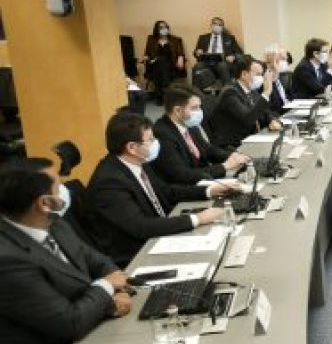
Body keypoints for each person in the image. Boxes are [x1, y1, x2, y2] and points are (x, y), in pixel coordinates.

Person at [0, 158, 132, 344]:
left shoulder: (53, 222)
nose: (66, 189)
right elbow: (70, 322)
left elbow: (97, 261)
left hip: (87, 334)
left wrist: (114, 285)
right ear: (43, 202)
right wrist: (107, 290)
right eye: (59, 185)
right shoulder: (7, 259)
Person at [83, 112, 237, 266]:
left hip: (159, 235)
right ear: (132, 147)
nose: (156, 143)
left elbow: (166, 191)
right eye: (150, 139)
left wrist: (210, 190)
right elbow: (141, 226)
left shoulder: (137, 161)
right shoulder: (109, 182)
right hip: (138, 255)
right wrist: (197, 219)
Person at [152, 83, 250, 185]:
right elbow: (182, 175)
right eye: (194, 108)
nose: (200, 111)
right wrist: (225, 166)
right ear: (178, 110)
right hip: (186, 188)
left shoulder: (189, 125)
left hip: (203, 180)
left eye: (199, 107)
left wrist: (234, 156)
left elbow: (208, 149)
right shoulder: (162, 134)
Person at [208, 57, 282, 149]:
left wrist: (272, 120)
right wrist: (266, 92)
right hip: (233, 145)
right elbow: (248, 119)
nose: (262, 78)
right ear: (244, 74)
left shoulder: (252, 91)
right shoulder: (230, 93)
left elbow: (265, 112)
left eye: (262, 74)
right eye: (258, 74)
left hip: (251, 139)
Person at [142, 20, 187, 104]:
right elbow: (147, 54)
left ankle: (160, 94)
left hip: (172, 65)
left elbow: (181, 53)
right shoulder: (151, 39)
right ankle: (166, 91)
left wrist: (180, 58)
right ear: (156, 29)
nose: (164, 29)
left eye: (166, 27)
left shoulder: (175, 39)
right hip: (155, 65)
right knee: (160, 61)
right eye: (161, 27)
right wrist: (144, 58)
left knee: (163, 60)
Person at [193, 17, 243, 83]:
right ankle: (196, 89)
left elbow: (239, 52)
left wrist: (233, 57)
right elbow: (195, 53)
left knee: (222, 65)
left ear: (222, 27)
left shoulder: (230, 38)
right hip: (206, 62)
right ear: (211, 25)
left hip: (223, 61)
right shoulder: (203, 38)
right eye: (215, 24)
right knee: (198, 66)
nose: (217, 26)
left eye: (220, 25)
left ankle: (228, 87)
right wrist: (197, 52)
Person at [263, 44, 292, 114]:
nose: (285, 62)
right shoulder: (265, 81)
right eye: (283, 59)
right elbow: (270, 109)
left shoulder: (282, 76)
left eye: (285, 59)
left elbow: (288, 98)